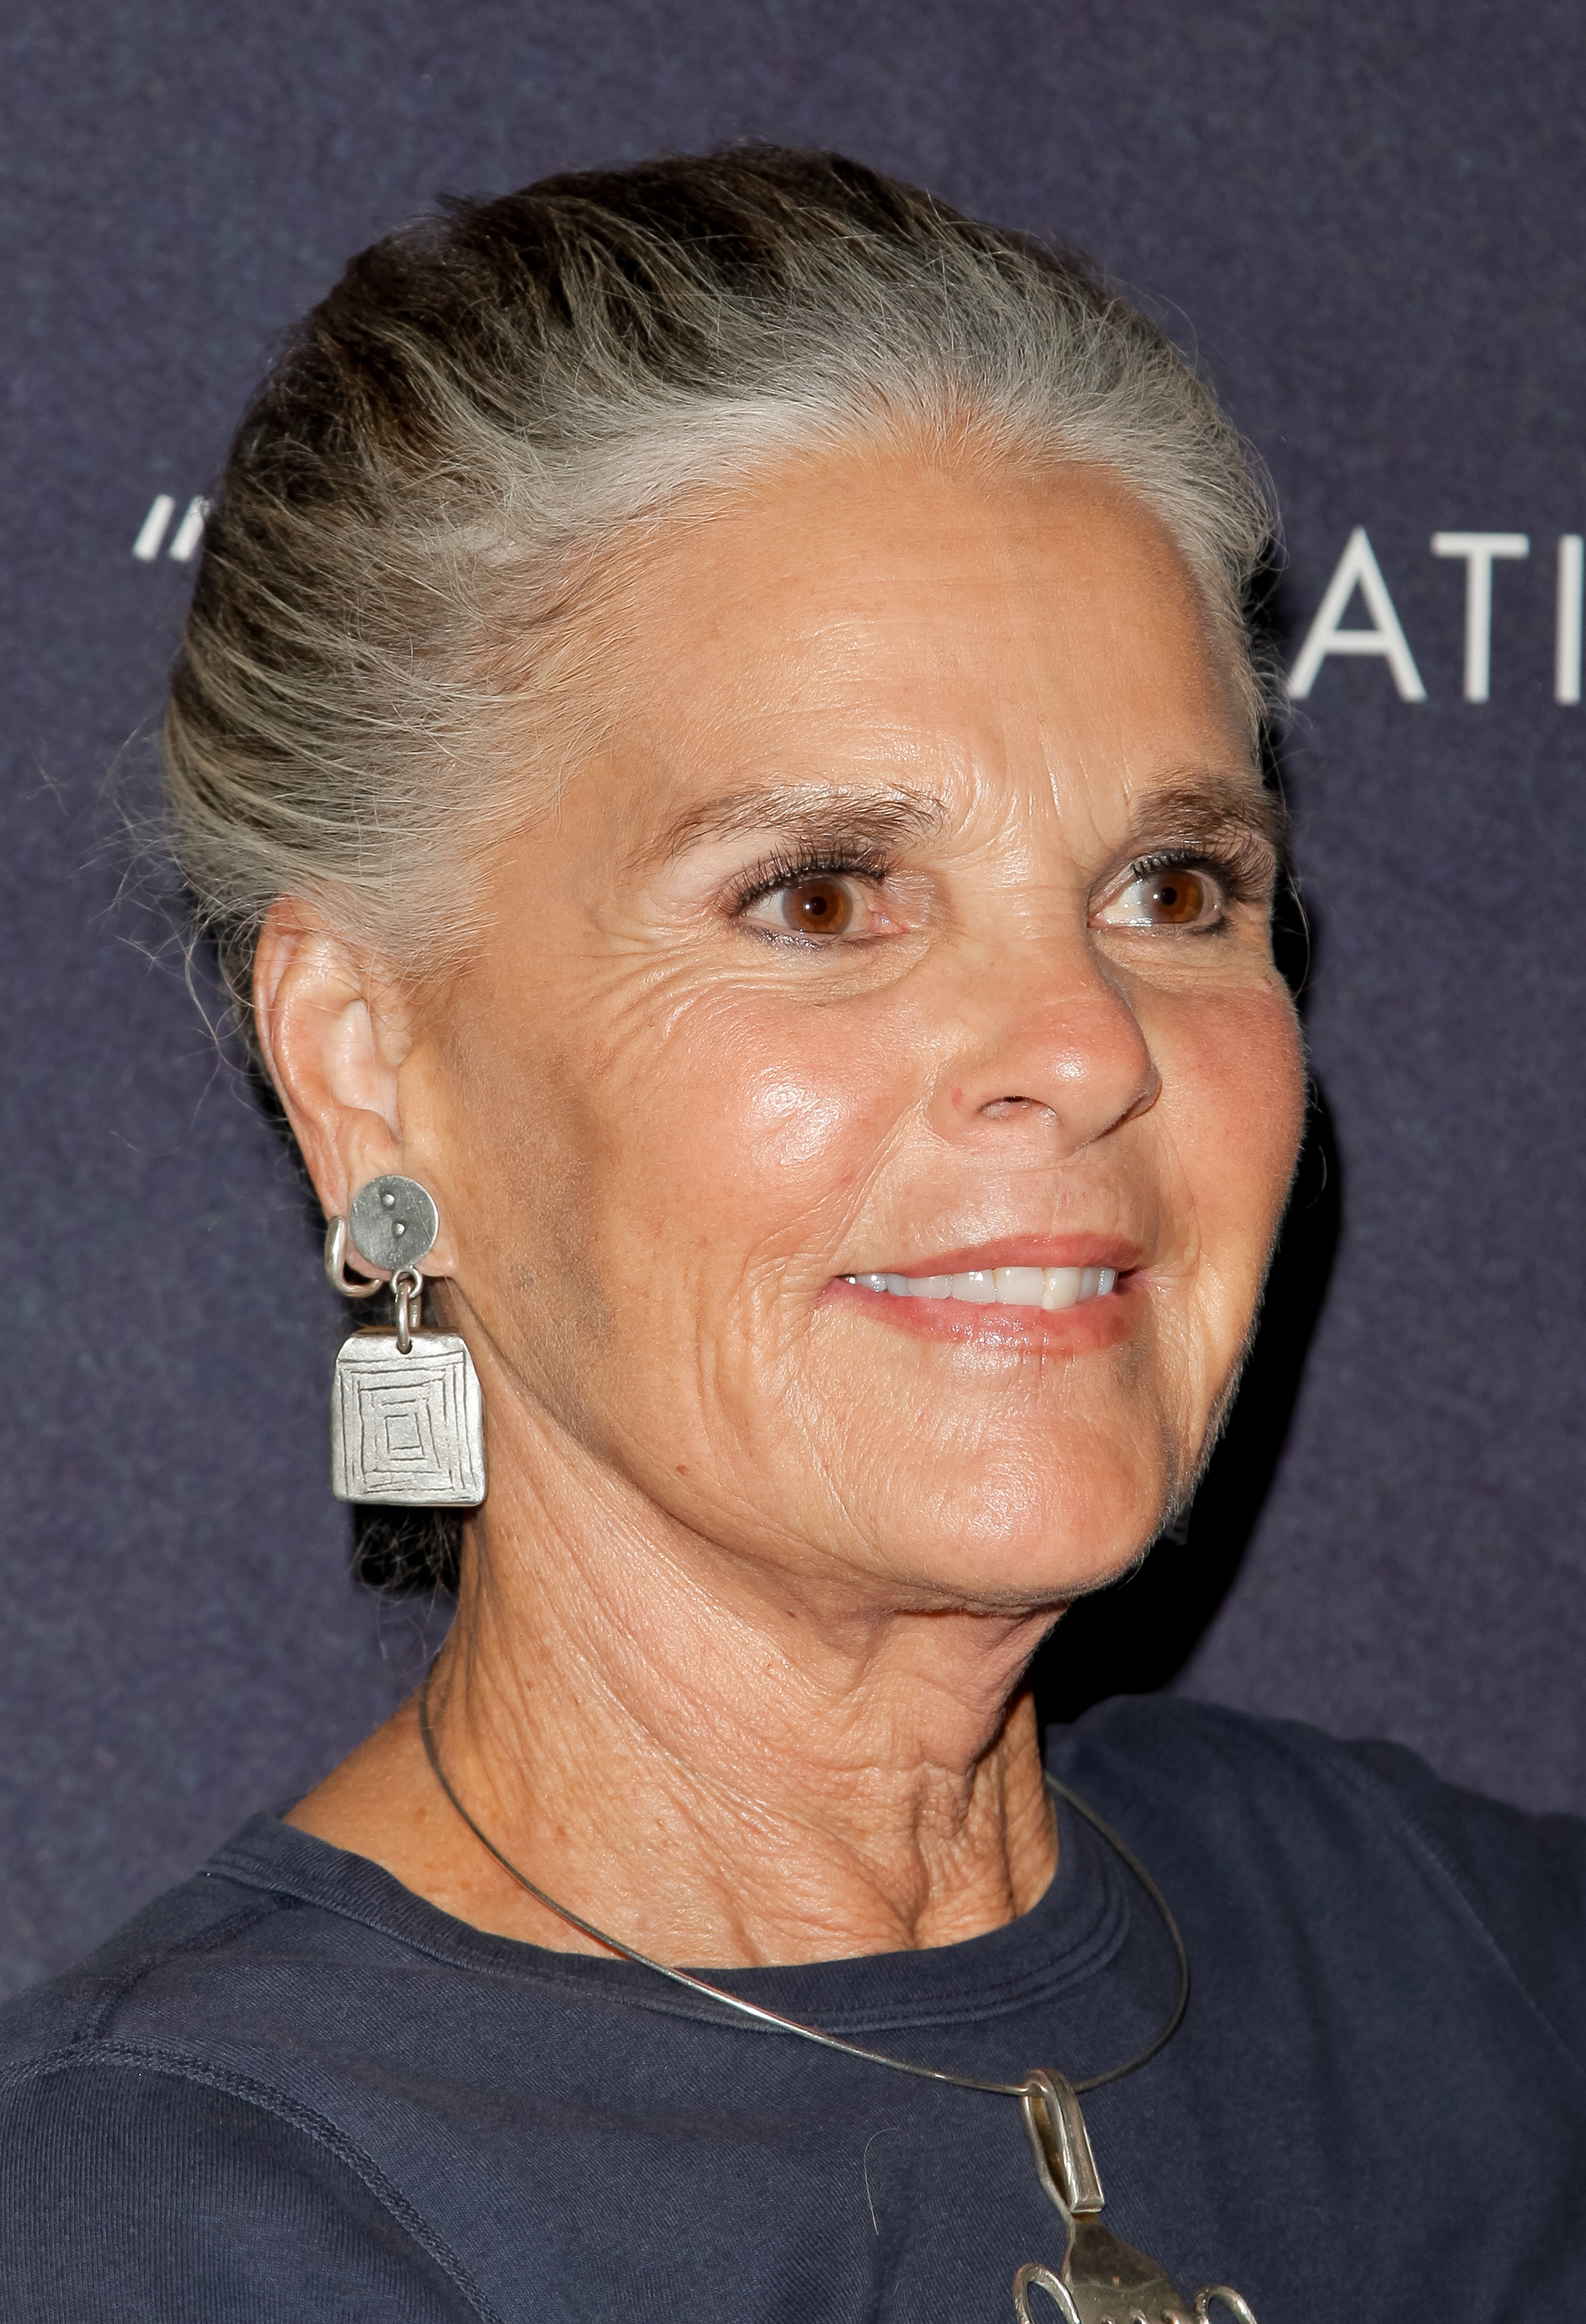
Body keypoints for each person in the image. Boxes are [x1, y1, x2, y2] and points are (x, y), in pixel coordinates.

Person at [1, 146, 1581, 2323]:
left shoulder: (1444, 1952)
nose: (1086, 1044)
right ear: (369, 1058)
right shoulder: (189, 2216)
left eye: (1176, 888)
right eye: (824, 895)